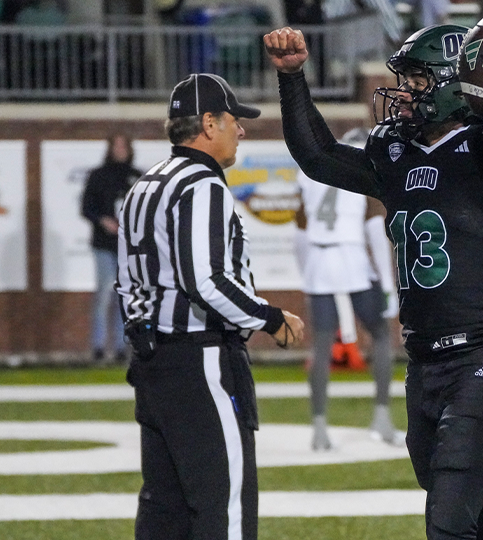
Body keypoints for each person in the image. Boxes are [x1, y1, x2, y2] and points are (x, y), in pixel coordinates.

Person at [265, 0, 483, 539]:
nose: (402, 93)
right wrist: (292, 79)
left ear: (457, 83)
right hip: (424, 365)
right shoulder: (393, 151)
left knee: (448, 522)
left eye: (417, 81)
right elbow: (318, 157)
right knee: (478, 518)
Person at [116, 73, 305, 540]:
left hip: (151, 362)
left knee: (164, 508)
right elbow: (205, 280)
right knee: (224, 506)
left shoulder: (146, 183)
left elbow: (127, 282)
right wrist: (271, 318)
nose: (241, 129)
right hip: (199, 360)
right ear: (207, 123)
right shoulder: (202, 185)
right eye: (233, 119)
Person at [295, 127, 404, 451]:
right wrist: (388, 284)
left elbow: (299, 231)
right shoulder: (363, 167)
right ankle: (382, 417)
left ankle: (319, 429)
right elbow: (374, 229)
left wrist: (307, 272)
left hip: (318, 258)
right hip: (352, 258)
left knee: (321, 346)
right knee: (381, 334)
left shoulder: (313, 170)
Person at [80, 134, 140, 364]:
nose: (120, 150)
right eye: (116, 146)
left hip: (128, 246)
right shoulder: (98, 176)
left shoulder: (137, 177)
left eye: (123, 145)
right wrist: (103, 221)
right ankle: (98, 347)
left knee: (124, 297)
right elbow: (86, 208)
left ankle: (122, 348)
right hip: (104, 245)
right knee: (104, 295)